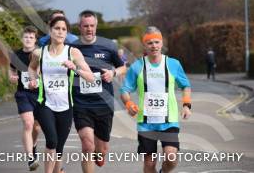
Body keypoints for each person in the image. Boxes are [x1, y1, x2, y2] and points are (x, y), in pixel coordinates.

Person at [120, 26, 192, 173]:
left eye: (157, 42)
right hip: (146, 124)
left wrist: (186, 105)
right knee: (149, 164)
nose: (154, 46)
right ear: (144, 45)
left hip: (169, 120)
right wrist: (128, 103)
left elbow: (186, 86)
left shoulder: (173, 64)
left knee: (171, 158)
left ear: (161, 43)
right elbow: (124, 90)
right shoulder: (137, 66)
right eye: (150, 43)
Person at [28, 16, 94, 173]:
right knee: (51, 140)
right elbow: (31, 68)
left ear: (67, 33)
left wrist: (74, 68)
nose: (60, 32)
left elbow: (91, 77)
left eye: (64, 29)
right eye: (57, 28)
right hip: (45, 104)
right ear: (50, 31)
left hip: (66, 106)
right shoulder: (39, 52)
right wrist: (33, 80)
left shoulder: (73, 52)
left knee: (59, 147)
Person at [71, 10, 126, 173]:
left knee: (101, 150)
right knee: (87, 145)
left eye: (92, 26)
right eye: (85, 26)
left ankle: (100, 153)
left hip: (104, 104)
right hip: (81, 104)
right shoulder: (72, 48)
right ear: (79, 27)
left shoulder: (108, 45)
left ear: (96, 26)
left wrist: (113, 73)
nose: (89, 29)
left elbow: (123, 67)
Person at [9, 26, 41, 171]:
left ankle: (33, 146)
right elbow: (12, 69)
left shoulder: (40, 54)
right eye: (26, 37)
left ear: (35, 40)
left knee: (37, 127)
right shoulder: (16, 55)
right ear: (22, 39)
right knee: (28, 124)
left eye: (31, 37)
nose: (28, 39)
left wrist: (38, 77)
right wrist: (12, 76)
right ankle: (30, 159)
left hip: (39, 94)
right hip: (23, 94)